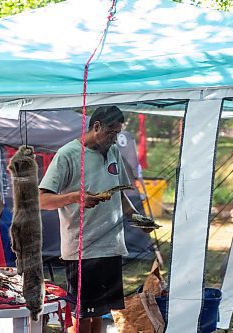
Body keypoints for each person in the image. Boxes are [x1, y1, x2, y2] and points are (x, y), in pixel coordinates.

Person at [39, 105, 151, 333]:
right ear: (96, 126)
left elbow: (118, 193)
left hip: (110, 247)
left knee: (100, 312)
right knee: (81, 316)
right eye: (111, 132)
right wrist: (74, 197)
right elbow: (42, 200)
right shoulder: (68, 155)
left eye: (118, 133)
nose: (114, 139)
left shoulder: (112, 153)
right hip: (83, 249)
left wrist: (138, 219)